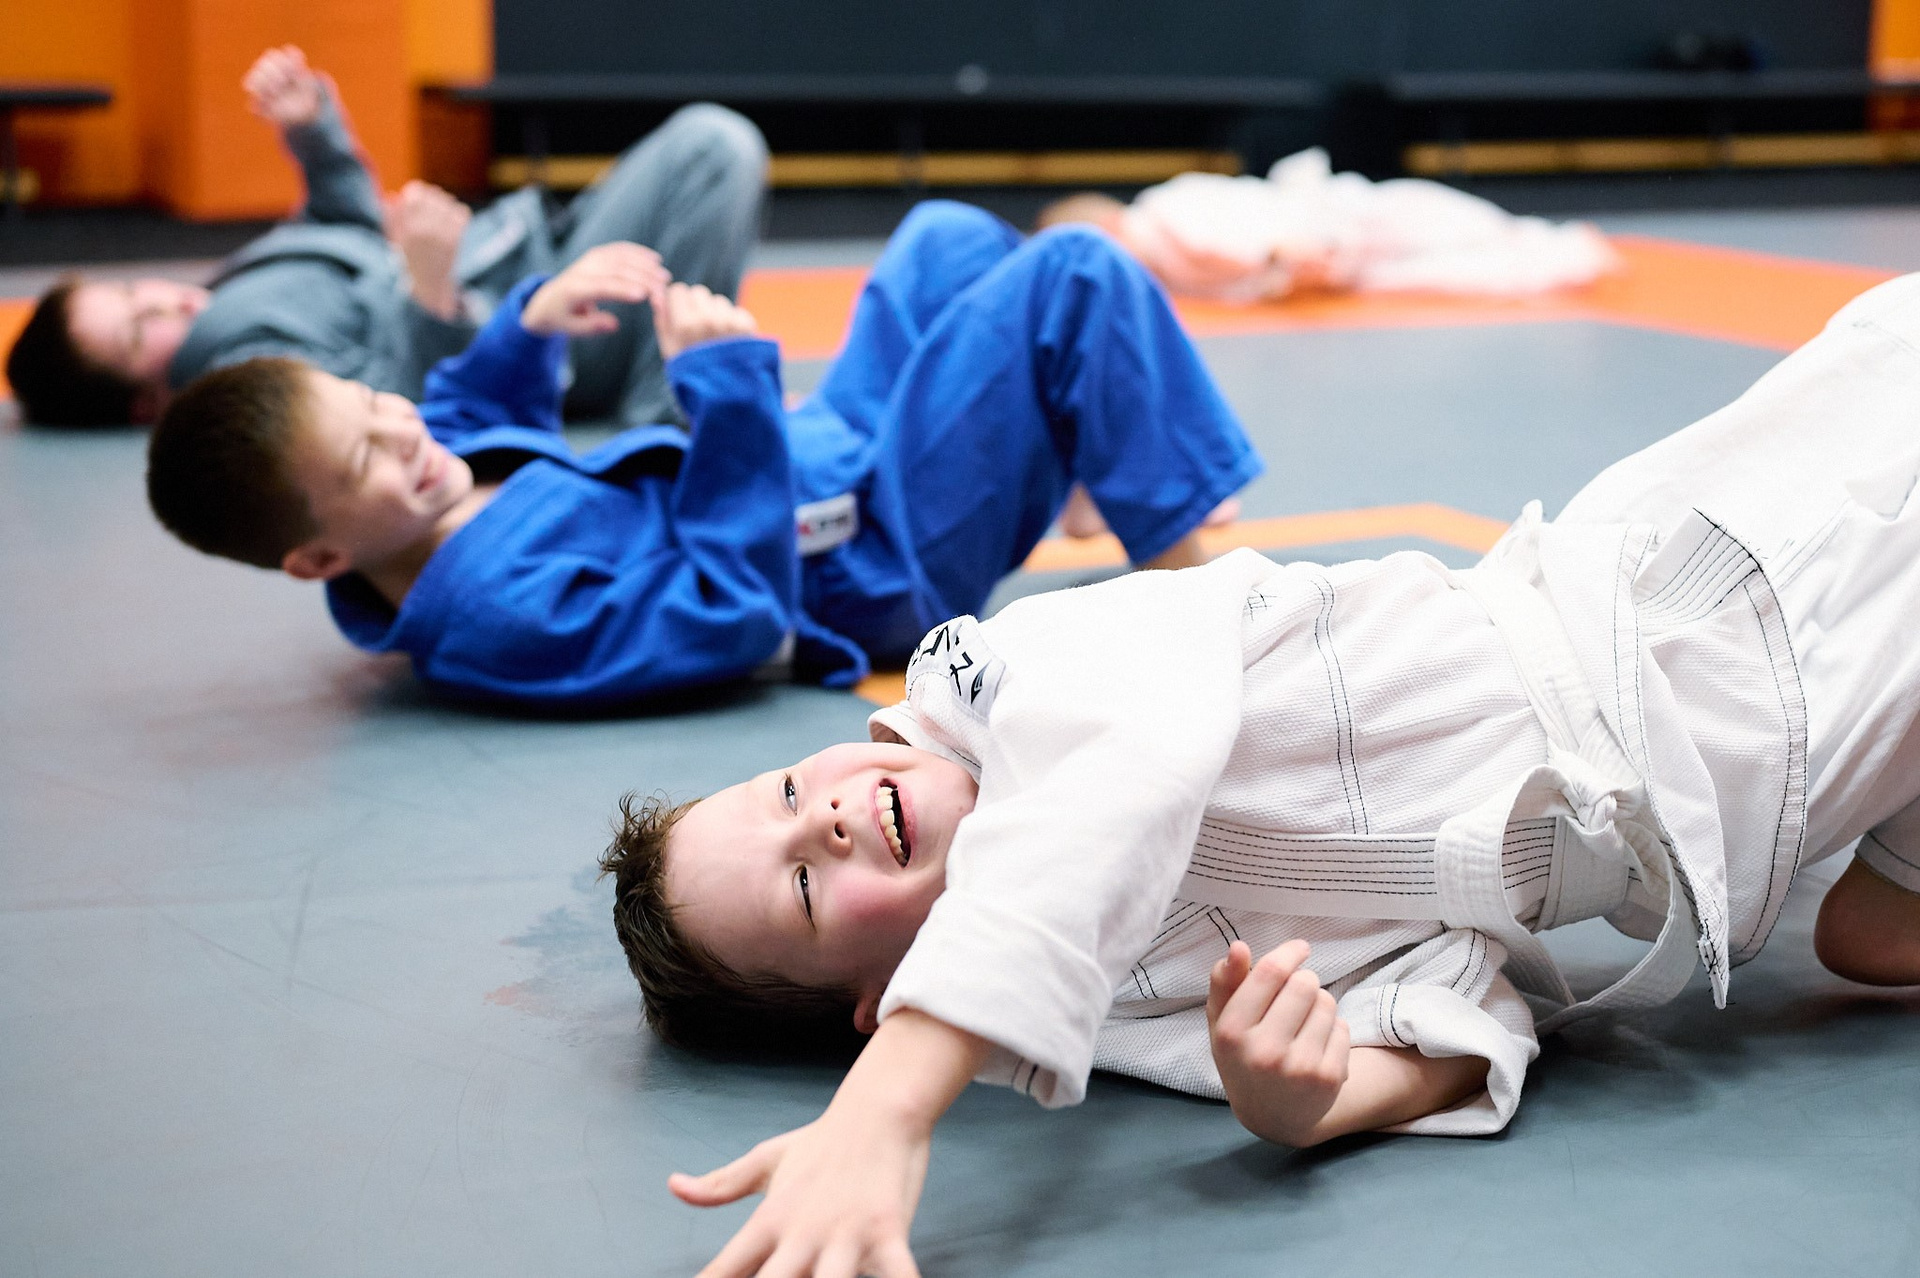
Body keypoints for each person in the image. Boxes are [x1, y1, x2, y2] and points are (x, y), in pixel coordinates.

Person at [600, 267, 1920, 1275]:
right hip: (1743, 809)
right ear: (874, 996)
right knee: (1869, 900)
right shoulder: (1121, 1015)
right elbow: (1468, 1010)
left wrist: (888, 1110)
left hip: (1689, 598)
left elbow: (1108, 784)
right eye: (800, 886)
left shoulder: (1012, 673)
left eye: (787, 792)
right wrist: (1318, 1099)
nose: (824, 821)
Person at [144, 201, 1262, 707]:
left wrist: (533, 322)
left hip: (818, 459)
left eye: (373, 403)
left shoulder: (427, 499)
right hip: (866, 558)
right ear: (319, 559)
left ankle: (1082, 455)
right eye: (364, 462)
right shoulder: (503, 617)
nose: (406, 436)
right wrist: (725, 393)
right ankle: (1199, 591)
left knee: (945, 238)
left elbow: (463, 404)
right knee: (1071, 270)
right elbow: (735, 611)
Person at [5, 45, 766, 429]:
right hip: (535, 336)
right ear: (145, 404)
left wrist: (312, 131)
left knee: (705, 144)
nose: (165, 302)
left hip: (530, 259)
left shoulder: (229, 293)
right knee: (713, 145)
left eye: (134, 294)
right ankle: (664, 425)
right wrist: (430, 295)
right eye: (140, 330)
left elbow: (343, 223)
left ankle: (676, 397)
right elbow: (388, 405)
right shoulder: (238, 367)